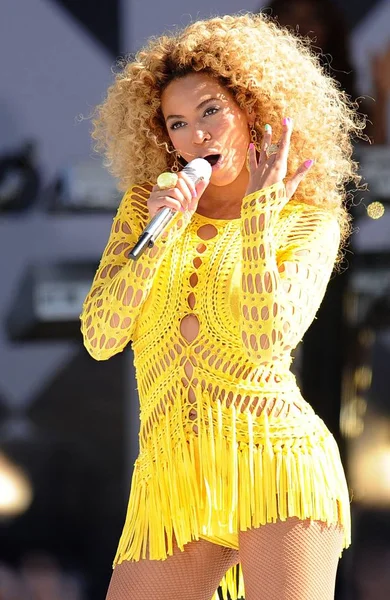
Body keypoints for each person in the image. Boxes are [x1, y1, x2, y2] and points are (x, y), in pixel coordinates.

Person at [80, 13, 365, 600]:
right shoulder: (147, 208)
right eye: (178, 123)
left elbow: (267, 340)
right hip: (173, 477)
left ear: (252, 109)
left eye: (211, 111)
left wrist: (259, 216)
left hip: (278, 466)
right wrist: (163, 235)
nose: (197, 136)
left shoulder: (306, 217)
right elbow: (101, 337)